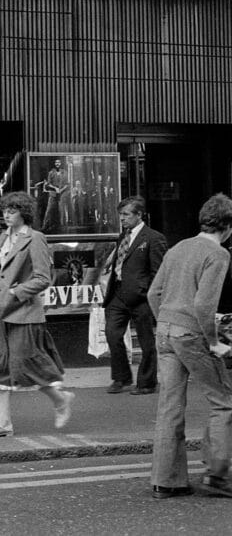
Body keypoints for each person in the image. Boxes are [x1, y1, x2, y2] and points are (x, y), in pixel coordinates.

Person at [148, 193, 232, 499]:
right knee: (224, 400)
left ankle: (166, 481)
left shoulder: (179, 247)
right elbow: (203, 304)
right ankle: (218, 476)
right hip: (192, 335)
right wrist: (214, 343)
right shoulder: (218, 254)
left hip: (166, 332)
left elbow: (153, 294)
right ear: (228, 226)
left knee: (170, 404)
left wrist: (167, 323)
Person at [0, 191, 74, 438]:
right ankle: (4, 422)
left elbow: (43, 278)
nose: (6, 214)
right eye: (4, 210)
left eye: (12, 210)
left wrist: (17, 292)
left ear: (24, 213)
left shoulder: (35, 238)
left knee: (24, 365)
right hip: (0, 310)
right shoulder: (2, 238)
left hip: (24, 311)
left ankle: (61, 400)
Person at [103, 196, 167, 395]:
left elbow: (159, 271)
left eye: (126, 215)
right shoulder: (123, 236)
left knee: (146, 340)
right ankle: (121, 378)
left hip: (142, 297)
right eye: (120, 214)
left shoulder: (154, 238)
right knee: (112, 334)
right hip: (118, 293)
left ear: (139, 215)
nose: (122, 218)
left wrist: (149, 292)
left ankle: (147, 383)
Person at [42, 158, 68, 234]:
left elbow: (67, 184)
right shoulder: (51, 173)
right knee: (49, 210)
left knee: (61, 210)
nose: (57, 164)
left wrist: (61, 190)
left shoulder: (65, 173)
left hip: (62, 194)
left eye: (59, 162)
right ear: (54, 164)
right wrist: (55, 188)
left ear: (61, 164)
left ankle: (62, 227)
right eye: (56, 162)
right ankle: (45, 226)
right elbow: (48, 183)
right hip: (53, 193)